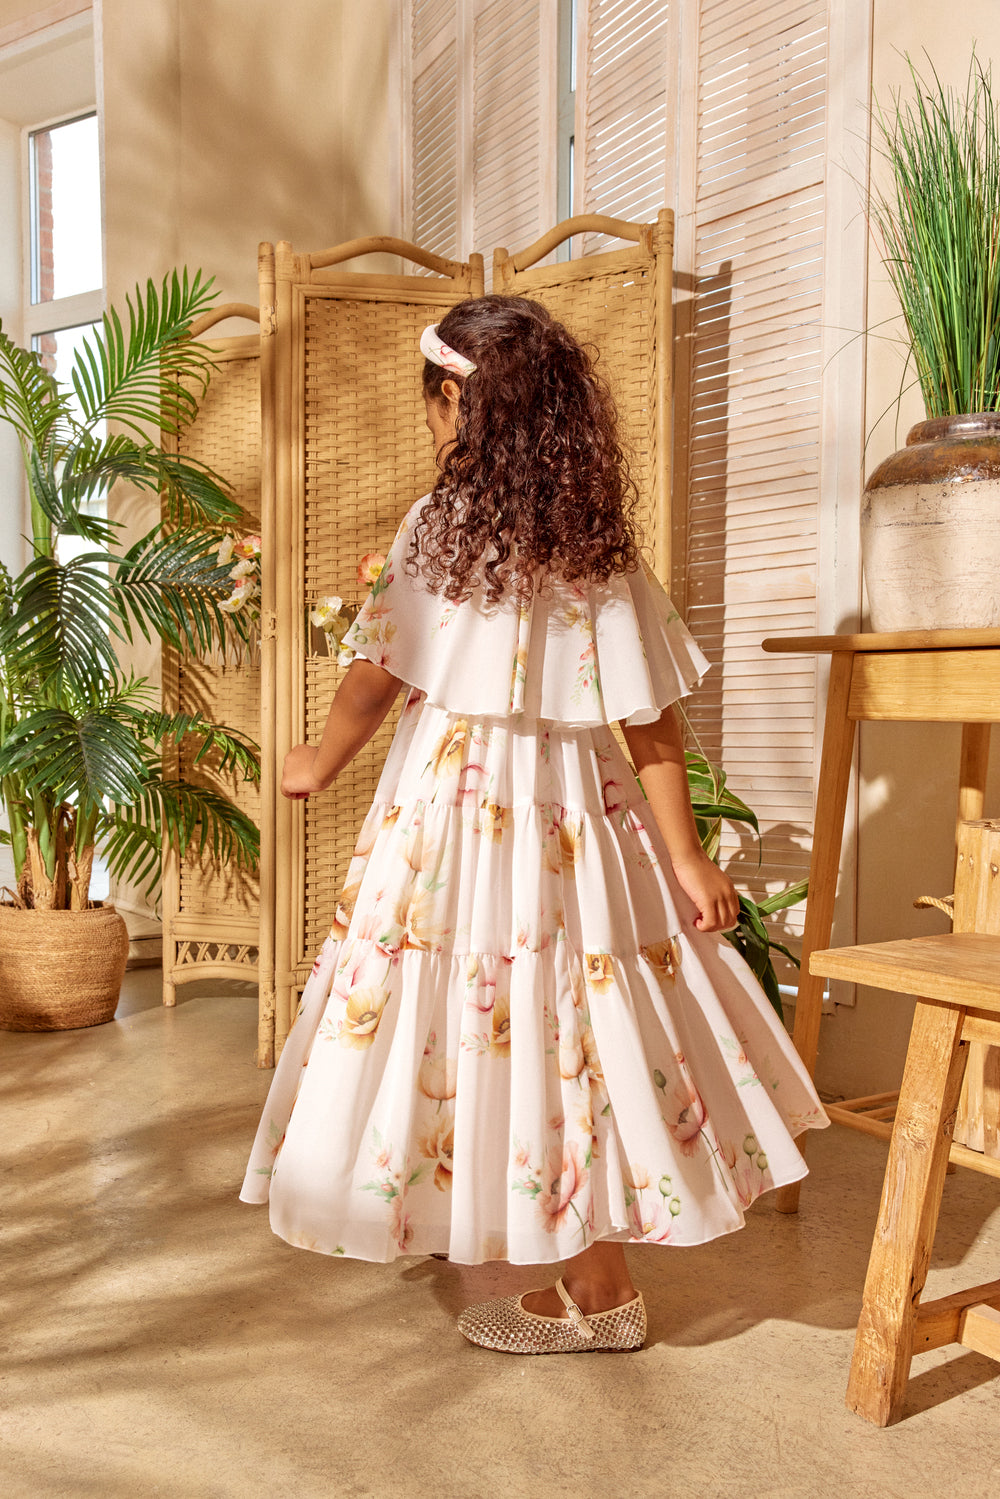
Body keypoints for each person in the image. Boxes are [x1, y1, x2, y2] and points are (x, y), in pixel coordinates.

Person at [240, 295, 827, 1355]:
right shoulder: (594, 542)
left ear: (457, 402)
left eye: (432, 401)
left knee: (458, 1009)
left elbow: (378, 672)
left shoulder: (438, 530)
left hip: (455, 813)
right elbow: (647, 716)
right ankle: (580, 1263)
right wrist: (684, 856)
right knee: (573, 1021)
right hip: (571, 820)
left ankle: (590, 1286)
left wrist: (317, 759)